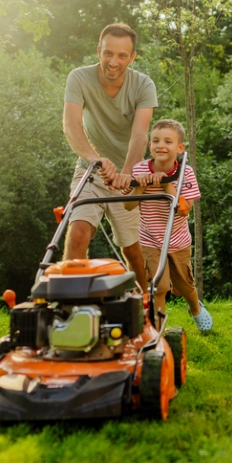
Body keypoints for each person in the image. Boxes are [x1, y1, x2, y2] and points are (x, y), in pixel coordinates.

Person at [62, 23, 156, 290]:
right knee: (78, 232)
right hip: (91, 171)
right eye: (108, 53)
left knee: (133, 251)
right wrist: (96, 160)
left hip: (128, 175)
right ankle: (71, 303)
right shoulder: (79, 78)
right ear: (98, 51)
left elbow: (140, 135)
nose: (113, 62)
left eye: (122, 56)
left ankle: (143, 304)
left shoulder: (143, 85)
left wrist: (127, 173)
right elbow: (71, 125)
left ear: (132, 57)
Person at [127, 118, 212, 332]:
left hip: (178, 239)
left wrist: (166, 183)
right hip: (149, 240)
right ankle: (158, 333)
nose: (161, 145)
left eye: (168, 141)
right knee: (158, 287)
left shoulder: (185, 172)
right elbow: (128, 206)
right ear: (150, 146)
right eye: (156, 141)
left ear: (180, 148)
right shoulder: (139, 170)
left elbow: (183, 210)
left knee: (184, 285)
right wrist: (140, 187)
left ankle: (195, 308)